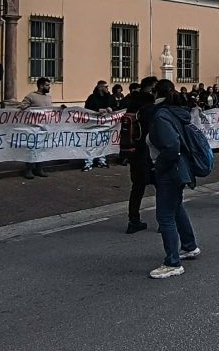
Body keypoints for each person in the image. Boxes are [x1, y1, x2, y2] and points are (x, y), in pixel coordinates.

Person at [146, 79, 200, 278]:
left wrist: (158, 166)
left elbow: (171, 146)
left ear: (155, 93)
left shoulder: (161, 116)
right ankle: (189, 245)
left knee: (165, 216)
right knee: (176, 207)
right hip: (179, 168)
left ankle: (172, 262)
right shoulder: (176, 112)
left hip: (170, 170)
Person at [124, 76, 158, 233]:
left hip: (134, 150)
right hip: (148, 151)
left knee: (137, 186)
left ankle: (133, 220)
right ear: (150, 88)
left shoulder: (131, 103)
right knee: (161, 185)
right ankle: (163, 220)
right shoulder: (150, 106)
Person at [19, 77, 54, 179]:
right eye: (47, 85)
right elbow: (22, 107)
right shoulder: (31, 96)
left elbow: (51, 110)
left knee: (42, 149)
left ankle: (39, 168)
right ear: (41, 86)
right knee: (31, 148)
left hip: (44, 127)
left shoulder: (48, 97)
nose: (49, 87)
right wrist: (24, 107)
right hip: (33, 127)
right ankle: (28, 169)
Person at [84, 80, 118, 170]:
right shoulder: (92, 98)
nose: (107, 89)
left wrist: (112, 108)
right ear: (100, 87)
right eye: (106, 87)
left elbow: (116, 107)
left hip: (105, 124)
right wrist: (97, 110)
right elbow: (87, 109)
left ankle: (102, 161)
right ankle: (88, 163)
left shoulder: (110, 98)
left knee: (103, 143)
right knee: (91, 144)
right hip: (93, 124)